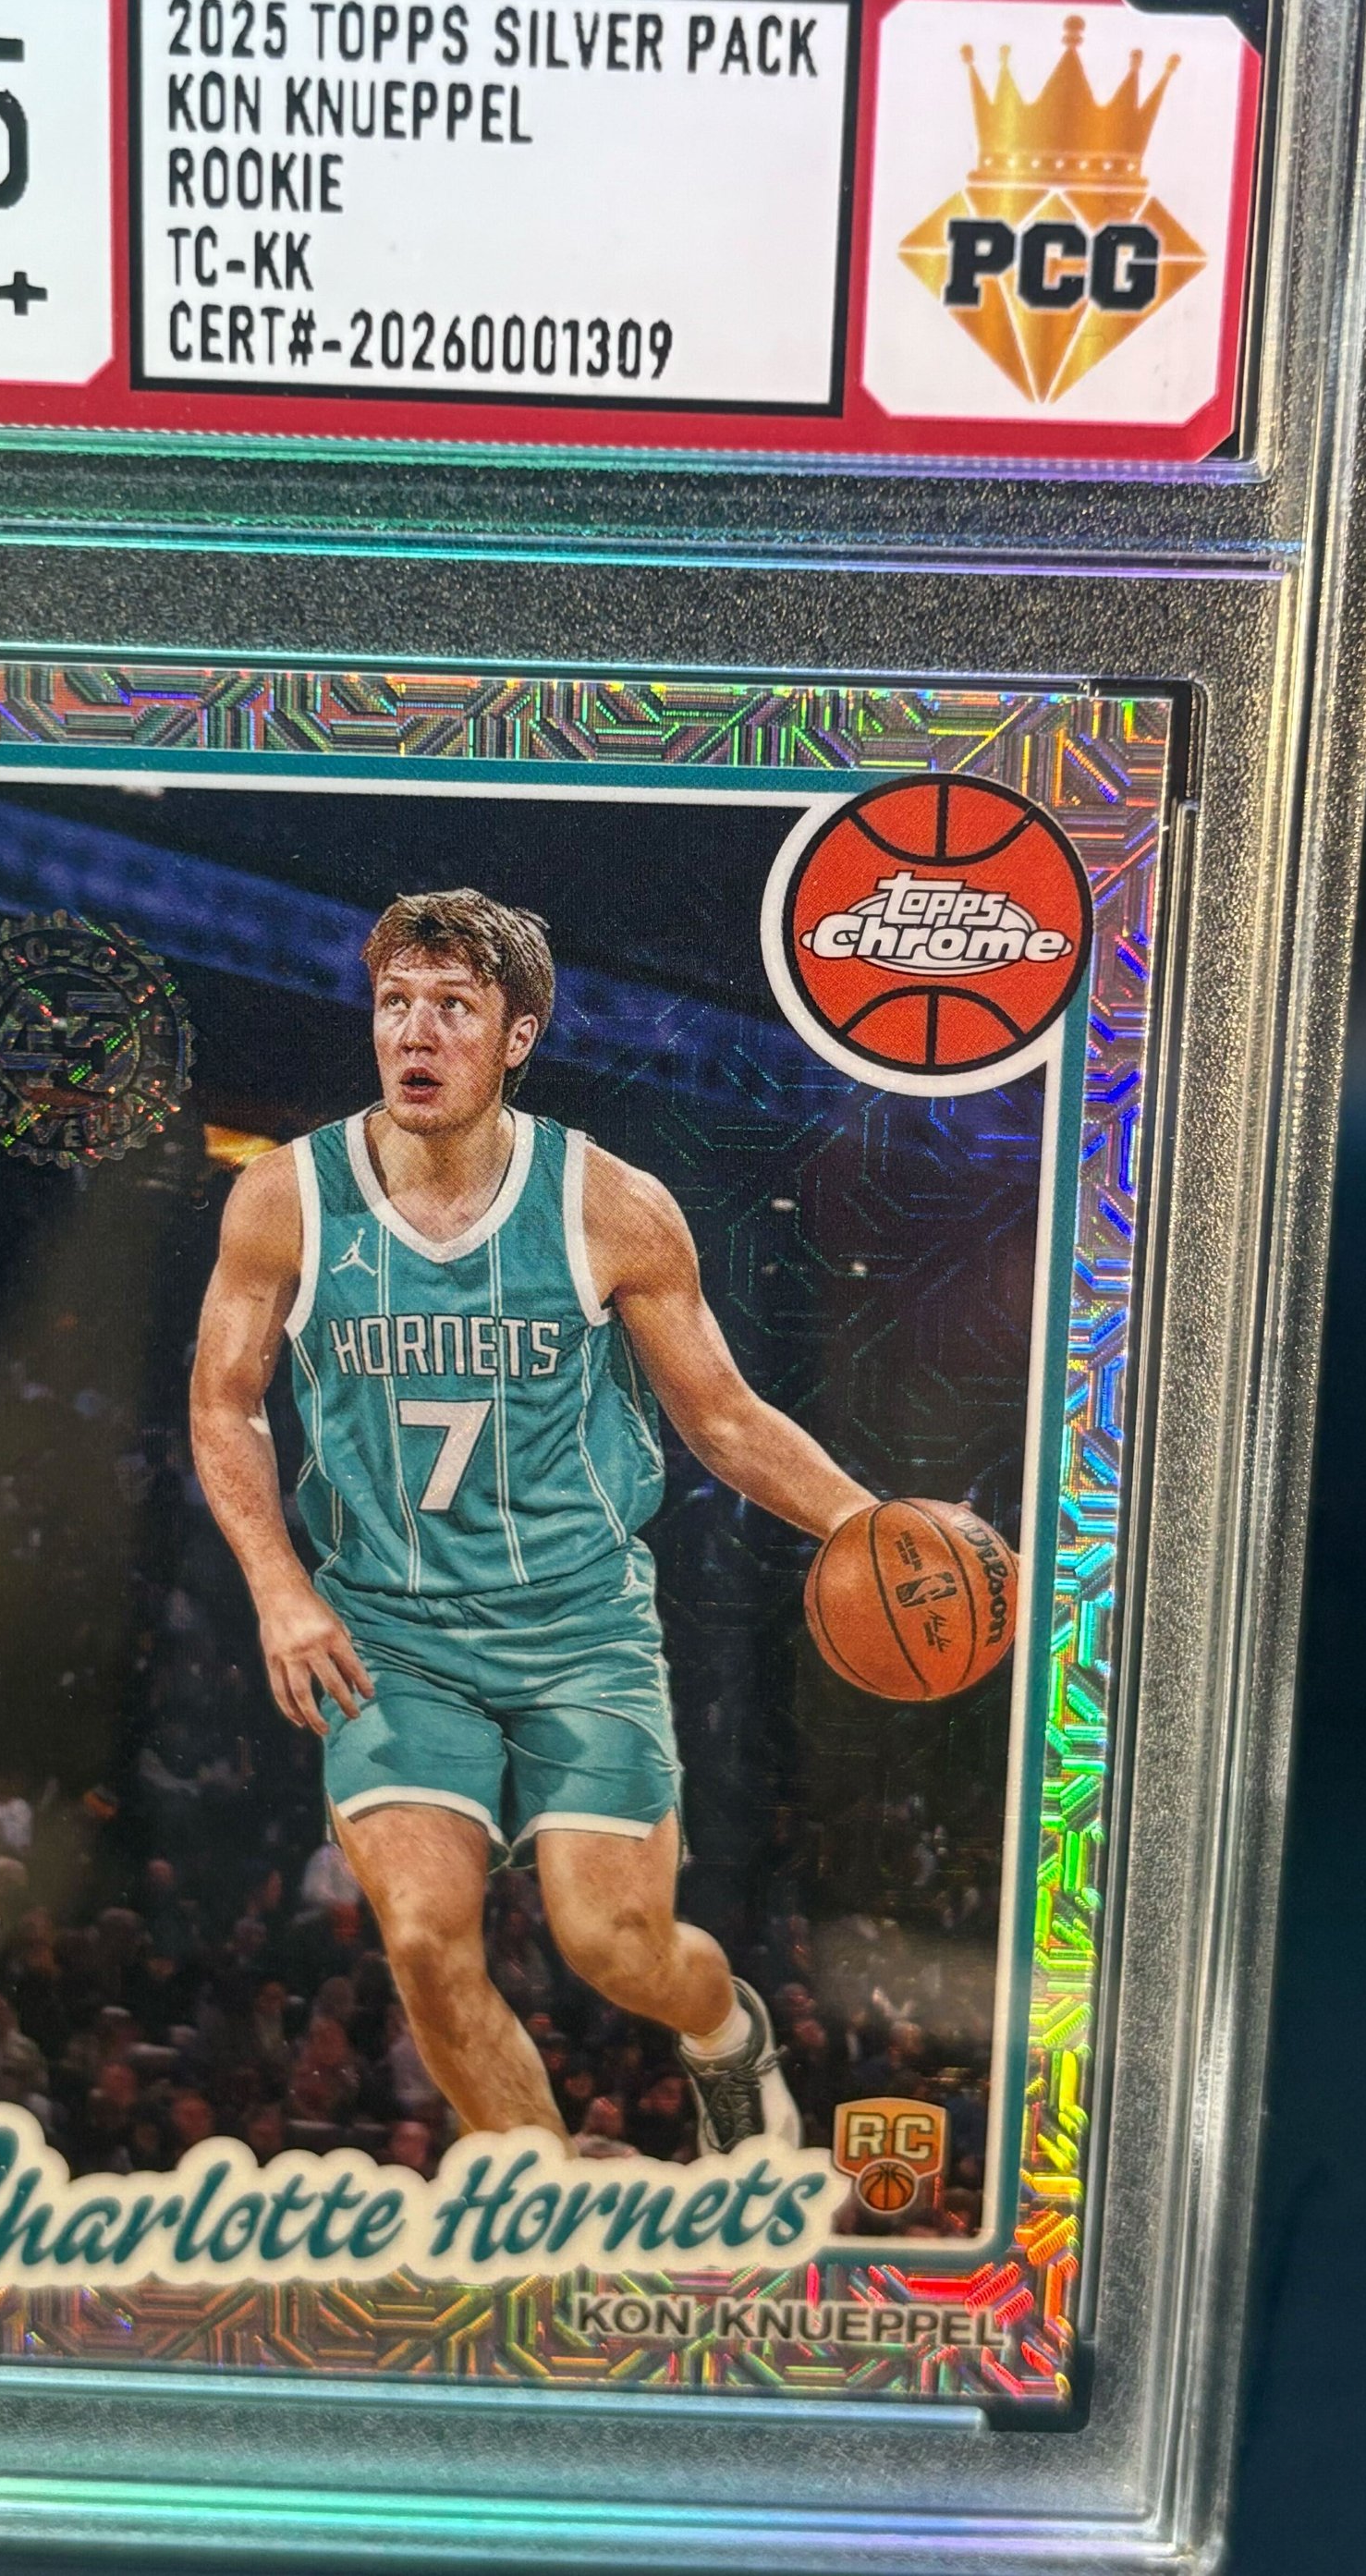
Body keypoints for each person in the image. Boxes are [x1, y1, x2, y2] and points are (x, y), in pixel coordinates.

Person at [190, 887, 877, 2155]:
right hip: (389, 1628)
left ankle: (726, 2036)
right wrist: (281, 1589)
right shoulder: (285, 1196)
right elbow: (223, 1403)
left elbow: (721, 1417)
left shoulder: (612, 1204)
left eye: (455, 1006)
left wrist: (865, 1523)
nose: (417, 1031)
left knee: (616, 1944)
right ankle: (543, 2191)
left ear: (518, 1036)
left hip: (577, 1624)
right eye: (396, 1002)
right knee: (419, 1934)